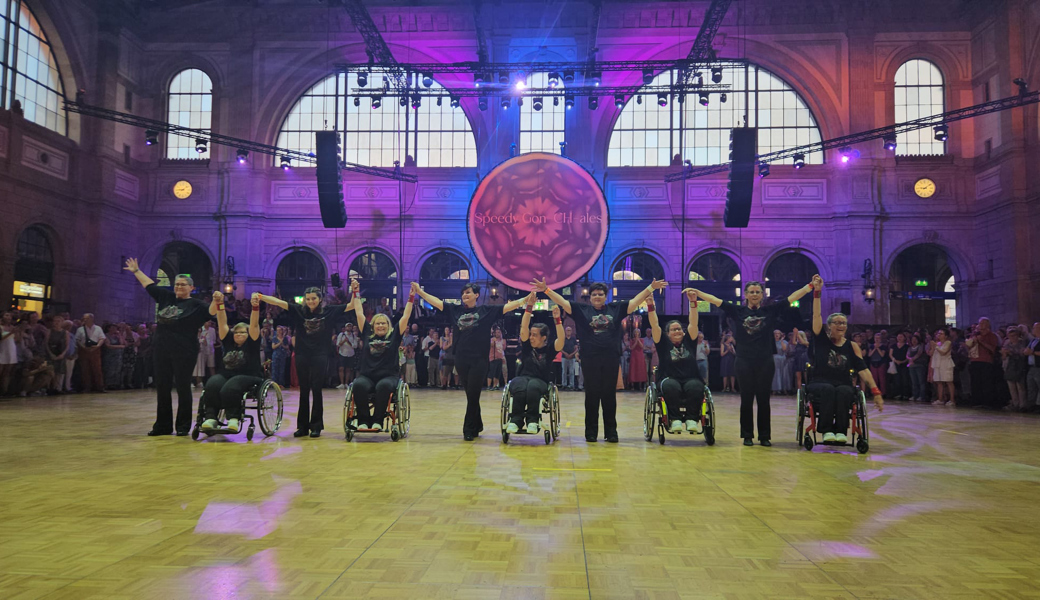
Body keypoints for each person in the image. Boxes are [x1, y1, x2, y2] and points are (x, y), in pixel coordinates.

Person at [535, 278, 666, 443]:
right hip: (590, 359)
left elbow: (635, 301)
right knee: (591, 395)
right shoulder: (582, 310)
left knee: (609, 395)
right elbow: (562, 301)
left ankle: (611, 432)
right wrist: (546, 289)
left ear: (606, 296)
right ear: (590, 297)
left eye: (600, 294)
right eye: (594, 294)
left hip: (611, 358)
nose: (597, 296)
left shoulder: (615, 308)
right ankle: (590, 433)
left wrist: (650, 287)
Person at [691, 279, 815, 446]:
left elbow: (792, 297)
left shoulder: (769, 310)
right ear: (746, 295)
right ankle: (747, 435)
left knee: (764, 399)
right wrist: (697, 293)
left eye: (758, 292)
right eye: (752, 292)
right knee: (746, 399)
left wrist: (810, 286)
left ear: (762, 295)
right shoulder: (738, 311)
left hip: (765, 360)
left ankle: (764, 436)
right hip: (743, 360)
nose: (755, 294)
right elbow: (714, 300)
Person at [412, 282, 528, 440]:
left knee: (473, 394)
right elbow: (436, 302)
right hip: (460, 358)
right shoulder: (455, 310)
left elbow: (506, 307)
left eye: (468, 292)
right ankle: (478, 423)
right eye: (463, 293)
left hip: (479, 360)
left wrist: (525, 299)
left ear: (476, 295)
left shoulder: (485, 311)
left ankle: (468, 429)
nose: (465, 295)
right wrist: (420, 291)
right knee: (471, 395)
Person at [125, 258, 216, 436]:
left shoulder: (196, 305)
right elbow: (149, 285)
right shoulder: (166, 297)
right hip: (161, 349)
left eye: (183, 284)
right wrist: (136, 271)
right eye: (177, 284)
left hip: (185, 350)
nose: (179, 287)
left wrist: (217, 299)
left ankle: (183, 427)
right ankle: (163, 426)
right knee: (163, 387)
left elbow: (212, 312)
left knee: (182, 386)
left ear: (191, 287)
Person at [255, 288, 353, 438]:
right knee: (304, 390)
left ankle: (316, 426)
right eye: (307, 299)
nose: (310, 302)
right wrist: (261, 296)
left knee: (317, 389)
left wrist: (356, 290)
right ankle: (302, 427)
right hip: (302, 354)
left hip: (320, 354)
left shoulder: (329, 311)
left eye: (313, 299)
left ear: (319, 299)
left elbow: (352, 305)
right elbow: (278, 302)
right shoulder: (298, 310)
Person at [808, 277, 883, 443]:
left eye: (844, 323)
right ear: (829, 326)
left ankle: (841, 431)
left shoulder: (852, 346)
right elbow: (816, 314)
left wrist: (875, 391)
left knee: (845, 391)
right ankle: (826, 430)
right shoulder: (820, 339)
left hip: (842, 383)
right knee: (828, 389)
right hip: (820, 381)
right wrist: (817, 292)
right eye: (837, 323)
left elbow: (863, 369)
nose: (841, 325)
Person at [348, 280, 414, 431]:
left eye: (384, 323)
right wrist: (356, 292)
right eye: (377, 323)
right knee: (358, 385)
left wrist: (411, 298)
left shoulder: (394, 335)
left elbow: (405, 316)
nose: (381, 325)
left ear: (388, 325)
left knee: (383, 386)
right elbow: (359, 312)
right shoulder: (367, 333)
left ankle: (378, 420)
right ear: (373, 326)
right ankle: (364, 421)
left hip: (388, 376)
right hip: (367, 375)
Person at [200, 292, 264, 434]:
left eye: (242, 332)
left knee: (231, 387)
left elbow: (254, 324)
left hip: (249, 375)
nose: (239, 335)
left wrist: (255, 307)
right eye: (236, 332)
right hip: (227, 374)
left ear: (248, 334)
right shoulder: (229, 340)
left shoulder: (252, 342)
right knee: (212, 384)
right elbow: (222, 321)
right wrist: (220, 303)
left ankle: (233, 418)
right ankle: (211, 418)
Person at [649, 288, 706, 434]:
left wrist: (693, 302)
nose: (677, 331)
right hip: (669, 378)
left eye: (679, 329)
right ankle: (675, 420)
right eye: (673, 330)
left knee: (696, 386)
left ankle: (691, 419)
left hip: (690, 377)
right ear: (667, 334)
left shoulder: (689, 341)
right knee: (671, 386)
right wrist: (650, 305)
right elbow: (655, 325)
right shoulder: (662, 343)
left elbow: (693, 323)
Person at [506, 293, 565, 433]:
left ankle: (533, 420)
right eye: (531, 334)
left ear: (544, 338)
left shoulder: (549, 350)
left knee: (532, 386)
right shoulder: (527, 347)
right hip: (523, 377)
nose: (531, 337)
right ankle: (515, 420)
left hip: (540, 381)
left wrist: (558, 320)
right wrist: (529, 307)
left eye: (535, 335)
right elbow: (524, 327)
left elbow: (561, 339)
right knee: (519, 385)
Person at [965, 318, 1000, 408]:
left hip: (986, 361)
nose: (981, 325)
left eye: (983, 323)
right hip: (974, 360)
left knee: (986, 382)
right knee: (975, 382)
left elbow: (992, 349)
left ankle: (987, 402)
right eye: (980, 323)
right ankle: (976, 401)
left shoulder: (992, 336)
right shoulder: (975, 335)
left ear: (988, 325)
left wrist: (981, 341)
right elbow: (969, 348)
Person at [75, 313, 106, 394]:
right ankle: (87, 387)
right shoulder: (80, 329)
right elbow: (77, 340)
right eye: (84, 318)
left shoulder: (98, 328)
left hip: (95, 350)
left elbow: (102, 338)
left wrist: (97, 346)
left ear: (92, 319)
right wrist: (83, 347)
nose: (85, 320)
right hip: (84, 350)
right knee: (85, 369)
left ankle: (99, 387)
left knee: (97, 369)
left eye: (87, 318)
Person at [1001, 327, 1028, 411]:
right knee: (1011, 387)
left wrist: (1011, 352)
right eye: (1010, 335)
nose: (1013, 337)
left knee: (1020, 387)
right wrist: (1004, 353)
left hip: (1019, 366)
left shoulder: (1022, 343)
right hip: (1009, 367)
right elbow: (1003, 357)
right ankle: (1015, 404)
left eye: (1014, 335)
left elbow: (1022, 354)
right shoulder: (1006, 343)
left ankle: (1022, 405)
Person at [930, 329, 955, 406]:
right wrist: (933, 347)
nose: (939, 335)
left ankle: (952, 400)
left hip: (946, 364)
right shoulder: (937, 343)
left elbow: (943, 352)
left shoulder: (948, 343)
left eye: (941, 334)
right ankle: (940, 399)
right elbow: (930, 354)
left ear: (946, 336)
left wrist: (936, 346)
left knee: (948, 381)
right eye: (938, 334)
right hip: (938, 364)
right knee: (939, 382)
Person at [335, 323, 359, 389]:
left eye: (350, 326)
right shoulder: (341, 335)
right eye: (348, 326)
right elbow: (338, 344)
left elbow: (355, 346)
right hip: (342, 353)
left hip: (350, 354)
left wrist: (348, 342)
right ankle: (341, 383)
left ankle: (346, 383)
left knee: (348, 369)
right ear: (345, 327)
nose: (349, 327)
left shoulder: (354, 336)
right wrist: (344, 341)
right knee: (341, 368)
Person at [907, 333, 928, 402]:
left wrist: (912, 359)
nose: (914, 341)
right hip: (912, 366)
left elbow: (919, 353)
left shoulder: (920, 346)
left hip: (919, 365)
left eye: (915, 339)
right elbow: (907, 355)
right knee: (914, 382)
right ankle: (915, 395)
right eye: (912, 339)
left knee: (921, 381)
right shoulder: (910, 348)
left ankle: (922, 396)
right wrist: (910, 359)